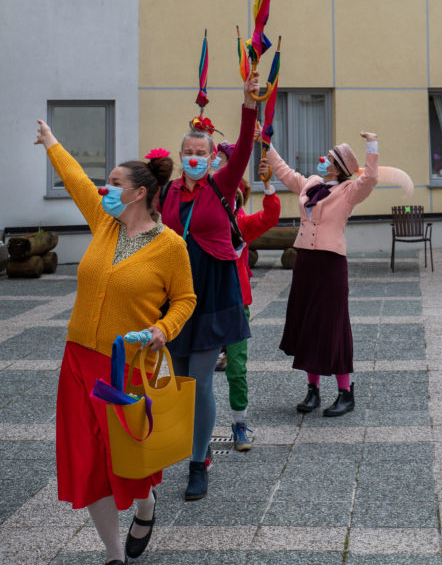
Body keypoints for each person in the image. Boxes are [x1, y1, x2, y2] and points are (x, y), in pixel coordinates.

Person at [34, 119, 196, 565]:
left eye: (114, 183)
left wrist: (163, 329)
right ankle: (113, 555)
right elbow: (76, 180)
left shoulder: (170, 246)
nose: (105, 189)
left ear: (138, 193)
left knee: (130, 460)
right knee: (88, 462)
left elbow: (185, 299)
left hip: (126, 367)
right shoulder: (104, 224)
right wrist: (52, 142)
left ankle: (145, 506)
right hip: (78, 359)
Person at [159, 75, 259, 501]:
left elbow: (245, 147)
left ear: (211, 156)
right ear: (180, 155)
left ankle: (197, 464)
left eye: (202, 153)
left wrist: (248, 103)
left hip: (213, 293)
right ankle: (197, 446)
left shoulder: (222, 184)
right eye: (189, 152)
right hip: (174, 296)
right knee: (180, 383)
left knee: (200, 382)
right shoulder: (166, 193)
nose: (194, 158)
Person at [265, 131, 379, 416]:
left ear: (338, 167)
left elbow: (370, 179)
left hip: (331, 263)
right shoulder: (311, 183)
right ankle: (312, 390)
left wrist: (372, 144)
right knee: (307, 322)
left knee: (333, 324)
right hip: (305, 260)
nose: (322, 159)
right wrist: (265, 144)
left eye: (328, 158)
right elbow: (283, 171)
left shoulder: (349, 190)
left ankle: (345, 393)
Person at [213, 149, 281, 449]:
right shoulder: (201, 223)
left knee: (237, 368)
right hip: (203, 304)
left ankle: (239, 423)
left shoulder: (241, 225)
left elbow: (270, 216)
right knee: (195, 370)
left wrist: (267, 185)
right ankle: (194, 427)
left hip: (236, 304)